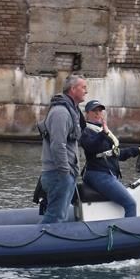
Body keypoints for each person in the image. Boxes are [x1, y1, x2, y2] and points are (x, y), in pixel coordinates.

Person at [79, 100, 140, 218]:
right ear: (87, 113)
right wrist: (103, 134)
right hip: (98, 174)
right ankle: (129, 233)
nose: (97, 113)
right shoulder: (86, 131)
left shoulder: (101, 131)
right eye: (94, 110)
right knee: (131, 204)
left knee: (125, 201)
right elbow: (92, 146)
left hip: (106, 174)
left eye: (100, 110)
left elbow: (117, 154)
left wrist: (137, 150)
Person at [37, 74, 87, 223]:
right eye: (83, 87)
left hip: (63, 174)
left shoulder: (72, 110)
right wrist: (65, 172)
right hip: (58, 174)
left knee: (59, 216)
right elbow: (58, 145)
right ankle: (39, 243)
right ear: (73, 89)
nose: (86, 91)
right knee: (55, 217)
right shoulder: (61, 112)